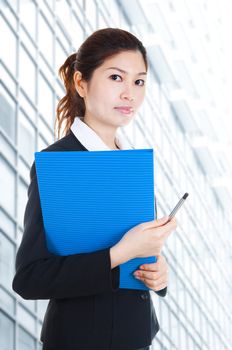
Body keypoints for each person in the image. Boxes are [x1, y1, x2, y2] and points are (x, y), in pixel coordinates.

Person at [12, 28, 177, 350]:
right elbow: (30, 278)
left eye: (139, 81)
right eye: (116, 77)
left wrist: (158, 274)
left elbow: (132, 265)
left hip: (136, 338)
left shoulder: (132, 166)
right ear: (81, 83)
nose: (130, 93)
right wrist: (122, 252)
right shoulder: (58, 163)